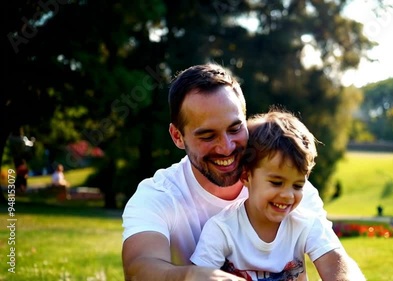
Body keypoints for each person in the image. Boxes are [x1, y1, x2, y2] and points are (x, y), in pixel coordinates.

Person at [121, 63, 364, 280]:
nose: (226, 147)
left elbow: (337, 262)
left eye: (235, 128)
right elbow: (139, 268)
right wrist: (193, 276)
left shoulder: (289, 187)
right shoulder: (159, 195)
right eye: (207, 135)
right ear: (177, 136)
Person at [190, 109, 365, 281]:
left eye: (298, 185)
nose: (288, 195)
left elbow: (336, 265)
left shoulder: (305, 223)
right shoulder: (222, 229)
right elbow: (199, 276)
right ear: (245, 176)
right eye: (276, 183)